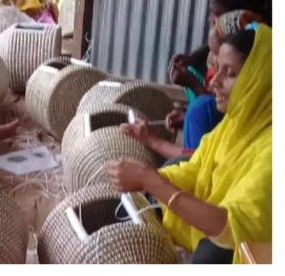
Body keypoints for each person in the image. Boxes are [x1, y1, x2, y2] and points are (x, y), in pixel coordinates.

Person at [107, 24, 271, 264]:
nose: (214, 82)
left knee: (212, 254)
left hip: (252, 245)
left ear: (260, 81)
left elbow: (228, 227)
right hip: (220, 214)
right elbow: (196, 166)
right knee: (167, 176)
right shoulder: (237, 122)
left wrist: (151, 179)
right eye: (217, 69)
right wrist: (152, 180)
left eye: (231, 73)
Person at [124, 10, 264, 162]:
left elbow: (199, 162)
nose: (209, 57)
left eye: (230, 73)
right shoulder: (231, 125)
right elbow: (203, 157)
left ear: (258, 75)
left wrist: (154, 143)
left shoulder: (265, 151)